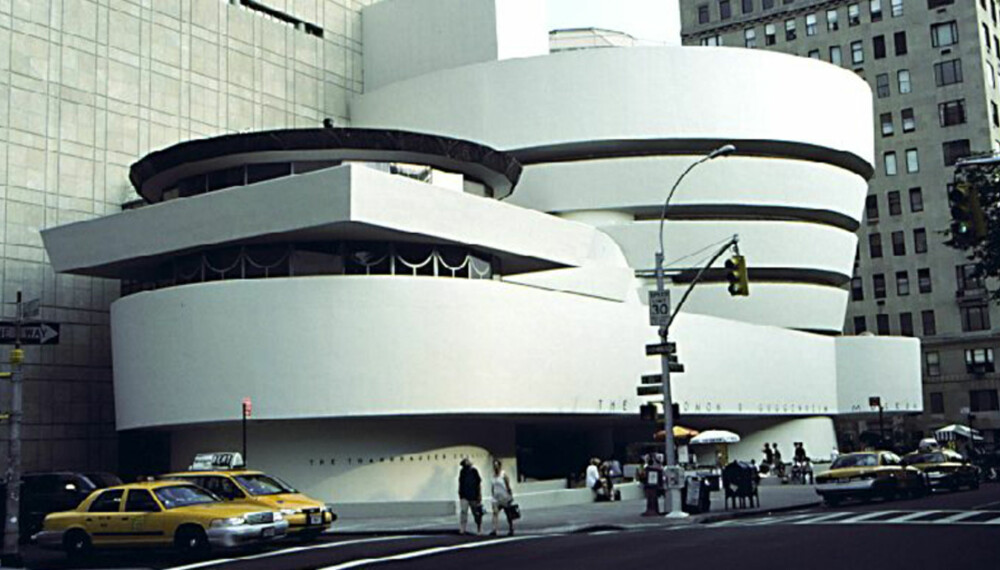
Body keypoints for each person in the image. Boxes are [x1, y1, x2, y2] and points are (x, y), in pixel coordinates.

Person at [458, 458, 483, 535]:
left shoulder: (474, 471)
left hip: (473, 495)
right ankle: (463, 528)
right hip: (464, 495)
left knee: (476, 512)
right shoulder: (462, 472)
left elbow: (478, 483)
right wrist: (460, 493)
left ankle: (479, 527)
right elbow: (460, 482)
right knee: (463, 512)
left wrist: (479, 494)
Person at [490, 459, 515, 536]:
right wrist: (492, 496)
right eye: (494, 466)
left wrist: (510, 495)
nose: (495, 467)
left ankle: (511, 528)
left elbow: (508, 485)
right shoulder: (493, 476)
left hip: (504, 497)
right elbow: (492, 487)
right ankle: (494, 529)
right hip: (496, 498)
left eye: (497, 465)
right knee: (495, 513)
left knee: (508, 514)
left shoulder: (503, 475)